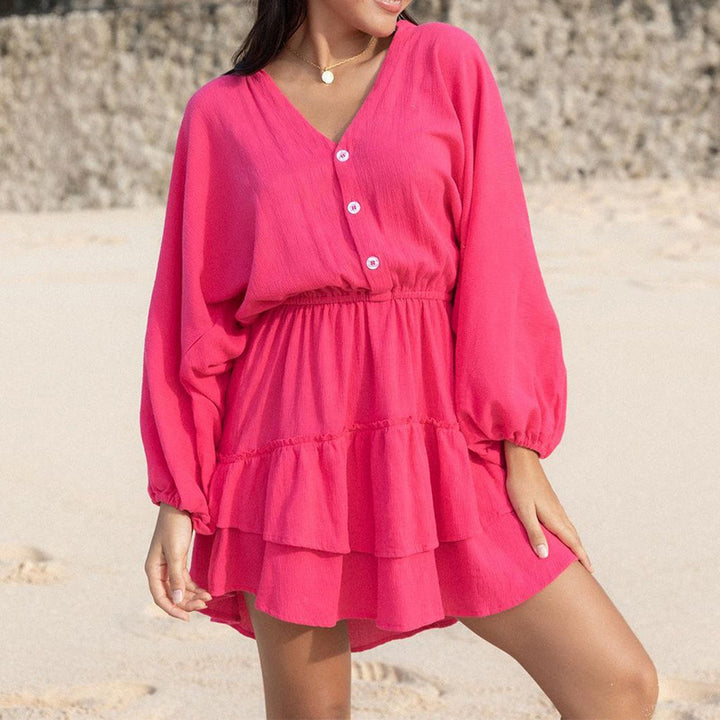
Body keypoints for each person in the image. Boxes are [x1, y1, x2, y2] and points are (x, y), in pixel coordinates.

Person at [139, 1, 659, 718]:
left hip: (442, 433)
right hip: (287, 452)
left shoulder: (445, 62)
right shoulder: (219, 114)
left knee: (617, 682)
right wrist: (179, 494)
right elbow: (193, 317)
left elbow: (498, 255)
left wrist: (519, 448)